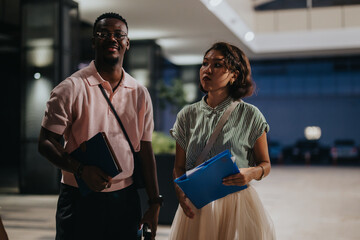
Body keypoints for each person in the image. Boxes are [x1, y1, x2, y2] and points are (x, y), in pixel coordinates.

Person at [38, 12, 162, 240]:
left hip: (125, 199)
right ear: (94, 41)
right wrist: (81, 170)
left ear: (127, 43)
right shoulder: (71, 88)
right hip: (79, 197)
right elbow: (46, 142)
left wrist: (155, 203)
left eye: (118, 34)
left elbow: (145, 149)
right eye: (104, 34)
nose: (112, 38)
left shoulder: (139, 93)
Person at [169, 42, 276, 239]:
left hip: (236, 204)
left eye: (217, 65)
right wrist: (181, 193)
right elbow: (179, 166)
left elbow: (266, 164)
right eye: (204, 63)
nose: (207, 69)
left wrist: (251, 173)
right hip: (197, 203)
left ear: (234, 75)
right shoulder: (187, 115)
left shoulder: (251, 115)